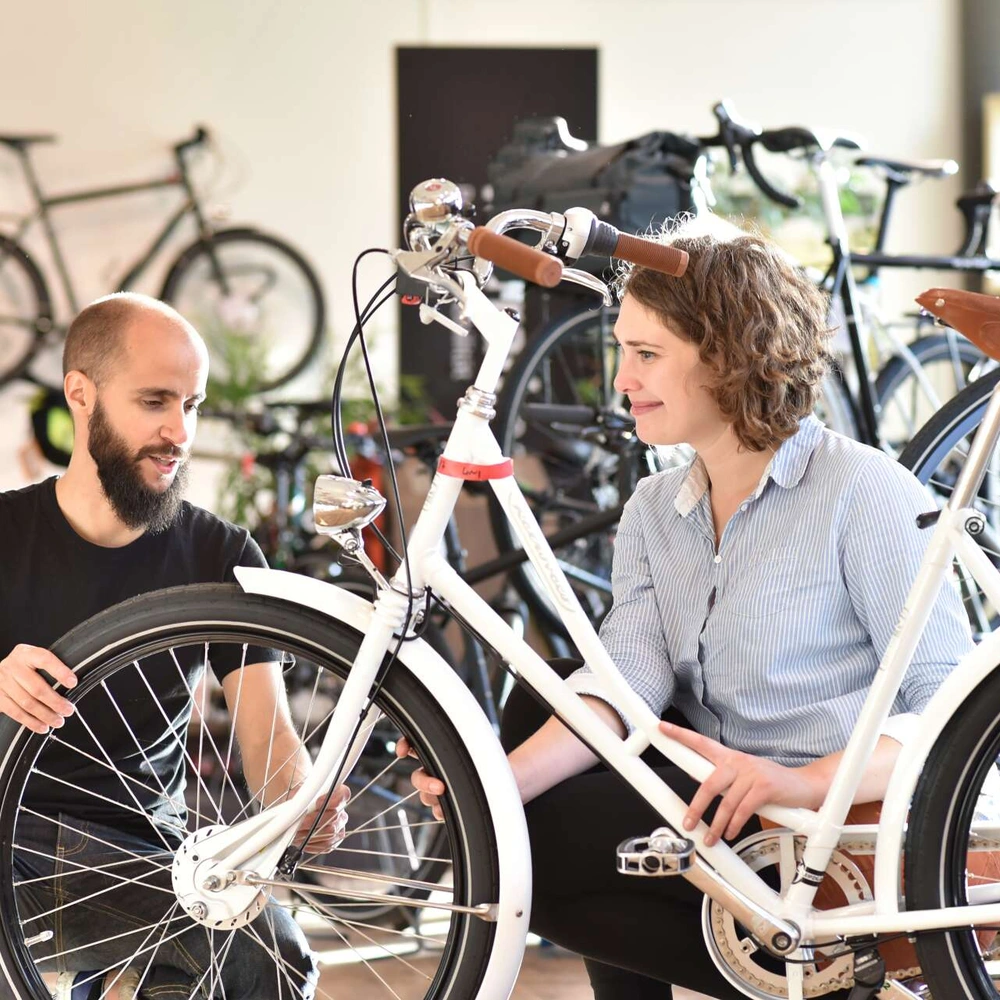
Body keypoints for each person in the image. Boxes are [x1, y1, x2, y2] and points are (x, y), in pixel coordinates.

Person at [402, 217, 974, 998]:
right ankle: (810, 979)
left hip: (830, 831)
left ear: (731, 356)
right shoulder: (651, 509)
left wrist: (801, 782)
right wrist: (491, 782)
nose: (621, 381)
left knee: (537, 836)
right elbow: (622, 682)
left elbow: (956, 714)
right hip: (716, 817)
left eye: (646, 355)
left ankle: (828, 968)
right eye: (621, 353)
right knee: (527, 761)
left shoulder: (862, 492)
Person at [0, 293, 347, 1000]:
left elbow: (267, 739)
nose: (178, 431)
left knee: (266, 957)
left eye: (191, 405)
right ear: (81, 396)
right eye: (155, 400)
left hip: (151, 863)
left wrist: (303, 806)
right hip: (17, 849)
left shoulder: (221, 553)